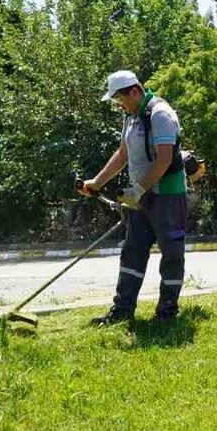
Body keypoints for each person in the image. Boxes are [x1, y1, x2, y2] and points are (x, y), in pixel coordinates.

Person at [79, 70, 189, 323]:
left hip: (167, 196)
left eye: (120, 99)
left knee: (171, 254)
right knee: (133, 251)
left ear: (135, 91)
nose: (119, 105)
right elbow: (122, 154)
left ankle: (167, 312)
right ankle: (122, 311)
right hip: (140, 197)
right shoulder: (132, 117)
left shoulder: (160, 114)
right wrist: (96, 182)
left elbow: (163, 160)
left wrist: (137, 190)